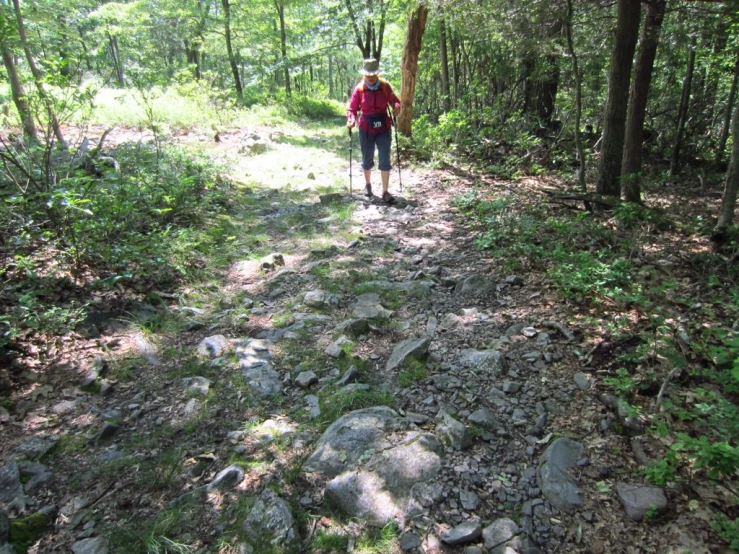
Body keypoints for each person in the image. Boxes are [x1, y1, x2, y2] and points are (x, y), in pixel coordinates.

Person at [346, 58, 401, 203]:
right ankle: (368, 185)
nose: (370, 78)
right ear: (364, 75)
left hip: (383, 126)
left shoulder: (385, 86)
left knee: (384, 158)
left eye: (373, 75)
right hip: (366, 127)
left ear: (377, 74)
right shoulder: (359, 89)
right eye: (368, 75)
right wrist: (351, 119)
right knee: (367, 157)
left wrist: (397, 106)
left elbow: (395, 100)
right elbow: (352, 108)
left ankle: (385, 191)